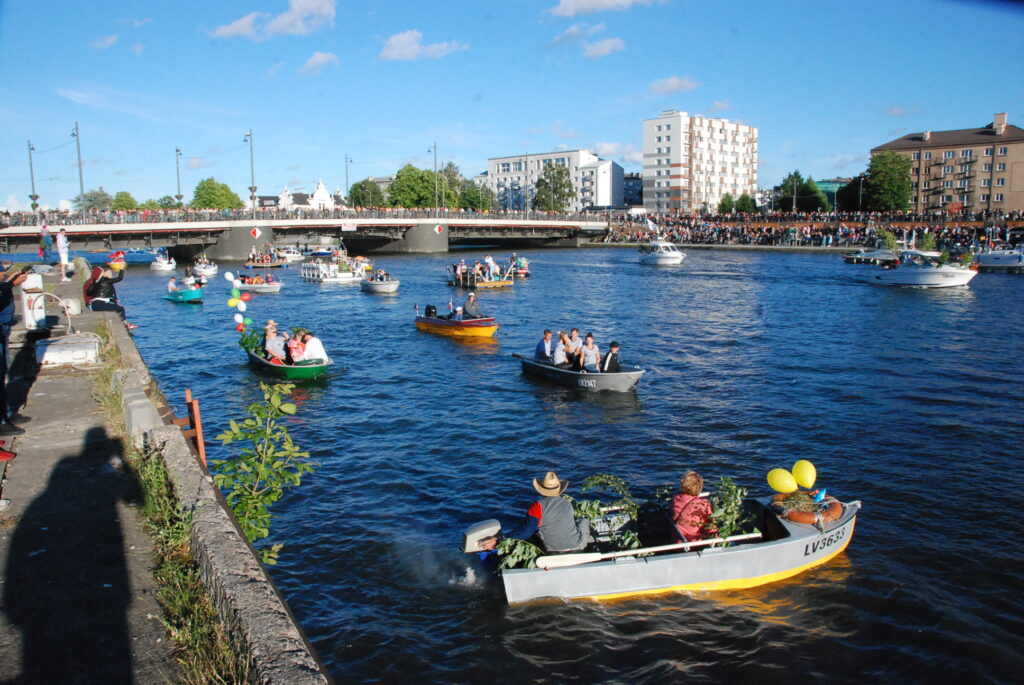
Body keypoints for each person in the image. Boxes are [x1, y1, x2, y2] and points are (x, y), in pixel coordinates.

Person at [480, 471, 593, 554]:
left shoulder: (537, 506)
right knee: (582, 521)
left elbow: (525, 532)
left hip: (553, 551)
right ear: (559, 489)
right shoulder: (567, 503)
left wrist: (500, 540)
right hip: (577, 547)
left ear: (541, 489)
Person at [0, 267, 32, 436]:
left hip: (3, 324)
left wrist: (8, 282)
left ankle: (6, 412)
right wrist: (10, 284)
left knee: (3, 371)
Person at [670, 471, 716, 542]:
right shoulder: (702, 504)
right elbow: (711, 524)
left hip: (677, 538)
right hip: (693, 540)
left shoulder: (675, 499)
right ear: (699, 487)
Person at [87, 261, 135, 329]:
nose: (111, 274)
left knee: (117, 306)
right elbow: (119, 278)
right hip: (99, 304)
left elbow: (88, 292)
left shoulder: (95, 282)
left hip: (94, 304)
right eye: (109, 273)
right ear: (104, 274)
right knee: (120, 308)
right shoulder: (106, 281)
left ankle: (124, 323)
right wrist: (122, 268)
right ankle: (125, 324)